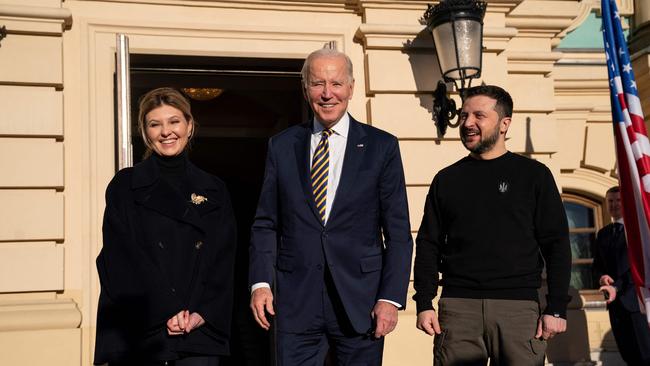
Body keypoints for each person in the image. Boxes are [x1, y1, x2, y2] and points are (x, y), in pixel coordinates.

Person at [248, 48, 413, 366]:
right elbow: (266, 223)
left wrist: (390, 298)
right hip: (296, 302)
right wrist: (260, 283)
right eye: (317, 84)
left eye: (336, 84)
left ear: (351, 87)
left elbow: (397, 232)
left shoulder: (382, 147)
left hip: (361, 302)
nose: (327, 94)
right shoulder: (281, 145)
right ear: (305, 88)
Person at [413, 85, 572, 366]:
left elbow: (556, 244)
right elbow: (428, 244)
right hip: (457, 310)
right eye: (463, 116)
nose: (467, 123)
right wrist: (424, 302)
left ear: (504, 123)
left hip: (519, 310)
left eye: (478, 116)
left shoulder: (534, 176)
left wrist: (557, 307)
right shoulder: (446, 180)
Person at [94, 87, 237, 366]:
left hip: (197, 330)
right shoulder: (125, 186)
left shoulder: (214, 189)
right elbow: (120, 258)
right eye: (155, 124)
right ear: (145, 133)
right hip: (142, 328)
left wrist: (201, 313)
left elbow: (224, 258)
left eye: (174, 121)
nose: (166, 132)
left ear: (190, 125)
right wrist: (167, 311)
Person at [594, 186, 650, 365]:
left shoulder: (638, 232)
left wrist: (616, 286)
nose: (614, 204)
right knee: (629, 356)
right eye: (610, 201)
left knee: (645, 355)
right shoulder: (603, 234)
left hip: (637, 304)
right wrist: (602, 277)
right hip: (615, 306)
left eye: (618, 200)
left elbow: (640, 268)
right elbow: (597, 266)